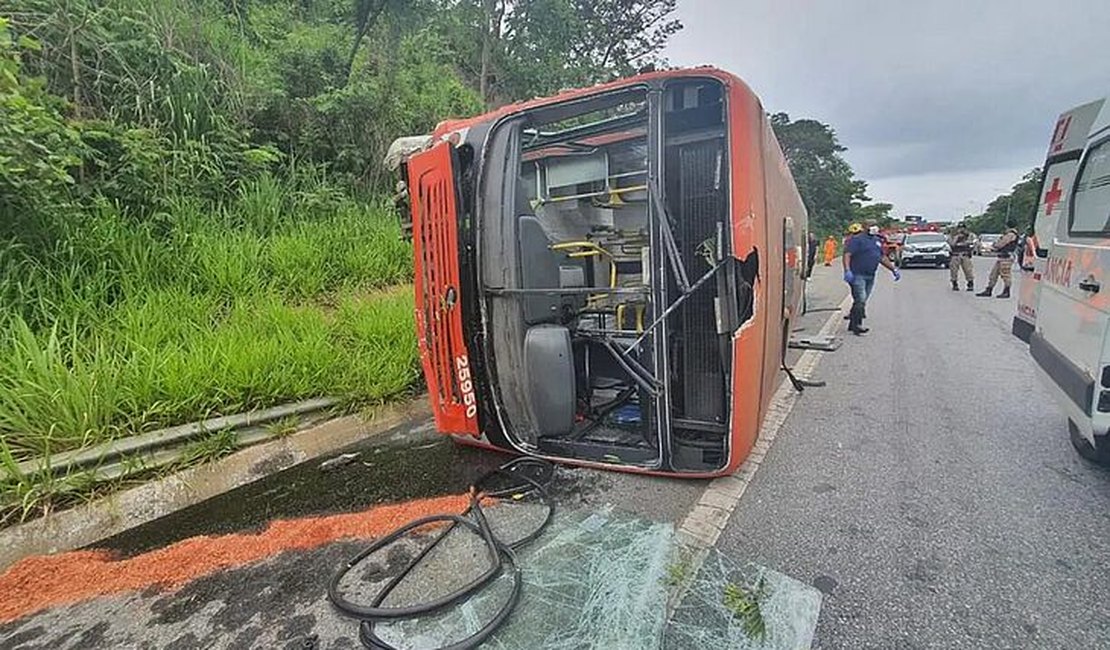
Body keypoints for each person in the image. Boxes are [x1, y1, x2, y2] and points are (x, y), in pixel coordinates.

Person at [843, 222, 900, 335]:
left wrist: (893, 269)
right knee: (861, 299)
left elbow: (881, 257)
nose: (874, 227)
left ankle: (852, 324)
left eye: (875, 225)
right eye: (871, 225)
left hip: (870, 275)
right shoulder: (857, 240)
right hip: (857, 274)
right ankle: (857, 325)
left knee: (861, 300)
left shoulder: (876, 241)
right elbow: (847, 255)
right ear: (865, 227)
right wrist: (847, 270)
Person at [976, 224, 1020, 298]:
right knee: (993, 274)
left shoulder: (1010, 234)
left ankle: (1006, 291)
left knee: (1005, 275)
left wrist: (994, 246)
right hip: (1002, 257)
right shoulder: (1010, 234)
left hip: (1006, 257)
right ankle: (989, 289)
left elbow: (1001, 244)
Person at [947, 223, 975, 291]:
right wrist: (957, 238)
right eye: (960, 228)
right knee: (954, 270)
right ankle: (954, 284)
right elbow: (952, 244)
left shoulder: (969, 235)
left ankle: (970, 283)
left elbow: (971, 242)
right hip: (955, 254)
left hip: (965, 254)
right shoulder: (953, 235)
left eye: (963, 228)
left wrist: (964, 241)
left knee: (968, 270)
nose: (961, 229)